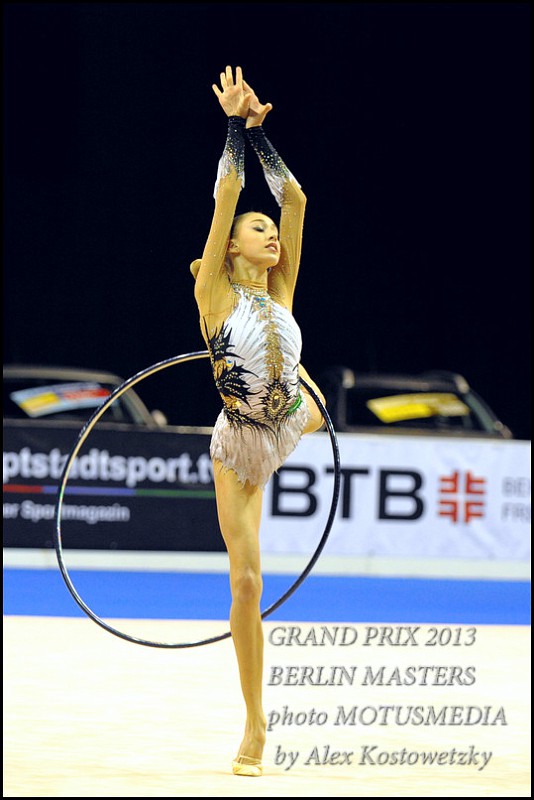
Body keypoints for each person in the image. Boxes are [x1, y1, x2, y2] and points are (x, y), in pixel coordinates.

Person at [190, 66, 324, 777]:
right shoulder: (212, 292)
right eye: (259, 228)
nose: (272, 234)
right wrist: (234, 129)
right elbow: (228, 194)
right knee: (247, 583)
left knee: (311, 402)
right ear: (232, 246)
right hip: (241, 445)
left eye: (273, 230)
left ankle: (306, 396)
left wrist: (263, 133)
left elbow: (295, 197)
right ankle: (254, 723)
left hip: (289, 420)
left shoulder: (283, 289)